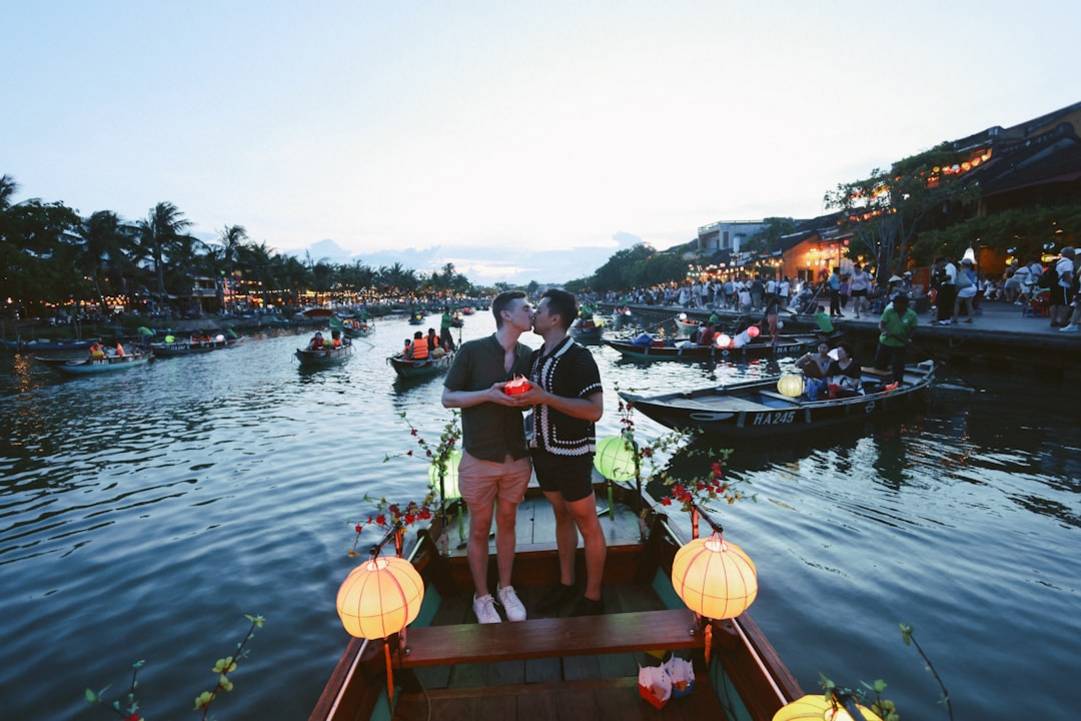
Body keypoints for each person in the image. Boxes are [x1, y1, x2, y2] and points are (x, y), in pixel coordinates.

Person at [506, 289, 606, 616]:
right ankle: (566, 583)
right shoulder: (536, 358)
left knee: (587, 523)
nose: (533, 314)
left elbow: (594, 410)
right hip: (544, 452)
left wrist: (545, 398)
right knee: (561, 515)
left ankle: (592, 596)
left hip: (573, 454)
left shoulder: (579, 357)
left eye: (540, 309)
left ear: (555, 318)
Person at [441, 291, 535, 624]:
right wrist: (487, 394)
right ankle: (482, 597)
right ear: (506, 316)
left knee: (508, 524)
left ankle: (505, 588)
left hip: (516, 457)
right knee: (480, 529)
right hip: (479, 456)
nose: (532, 312)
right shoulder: (472, 351)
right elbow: (448, 398)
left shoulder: (528, 355)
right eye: (526, 308)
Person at [875, 294, 917, 384]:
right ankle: (878, 383)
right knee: (880, 365)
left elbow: (913, 329)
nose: (893, 305)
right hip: (886, 343)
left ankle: (898, 383)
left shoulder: (912, 315)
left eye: (896, 304)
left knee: (898, 366)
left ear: (903, 305)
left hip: (900, 344)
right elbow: (881, 324)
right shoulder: (888, 312)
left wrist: (909, 338)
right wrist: (884, 331)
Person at [1051, 247, 1076, 328]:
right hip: (1064, 286)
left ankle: (1053, 320)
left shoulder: (1059, 261)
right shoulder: (1068, 262)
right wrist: (1072, 285)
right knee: (1065, 304)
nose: (1074, 255)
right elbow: (1066, 275)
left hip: (1055, 285)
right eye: (1073, 253)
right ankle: (1062, 321)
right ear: (1069, 254)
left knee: (1055, 303)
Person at [933, 256, 958, 325]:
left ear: (942, 262)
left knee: (943, 303)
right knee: (947, 303)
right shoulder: (951, 266)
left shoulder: (948, 267)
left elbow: (948, 276)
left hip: (947, 286)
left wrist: (940, 279)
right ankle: (946, 319)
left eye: (939, 264)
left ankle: (943, 319)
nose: (939, 265)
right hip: (950, 287)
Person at [953, 259, 978, 323]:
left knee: (957, 302)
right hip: (973, 287)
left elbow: (961, 281)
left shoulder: (963, 271)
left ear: (964, 264)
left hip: (966, 287)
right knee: (968, 303)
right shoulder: (973, 271)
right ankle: (970, 318)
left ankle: (955, 318)